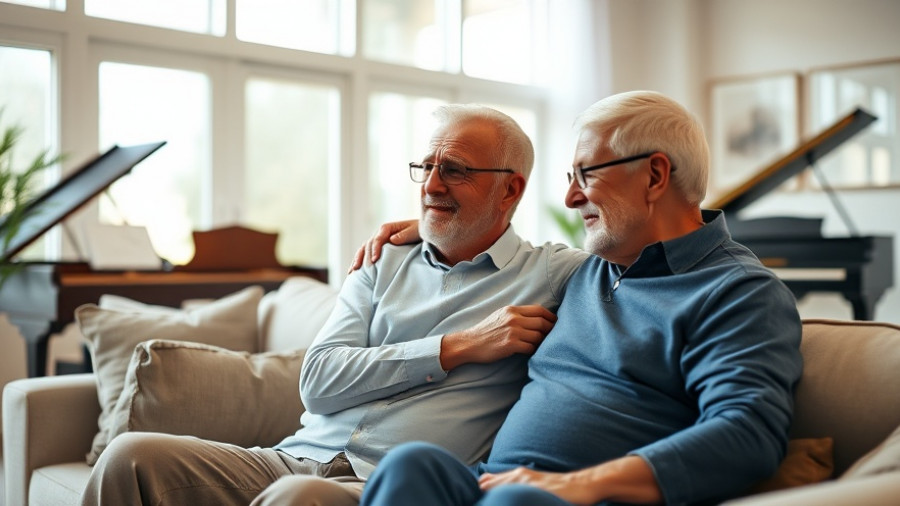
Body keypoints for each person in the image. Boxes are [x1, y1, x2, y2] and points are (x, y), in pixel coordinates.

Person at [80, 104, 590, 506]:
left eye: (455, 171)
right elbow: (317, 382)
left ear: (510, 189)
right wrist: (456, 347)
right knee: (130, 456)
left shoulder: (551, 274)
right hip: (293, 455)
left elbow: (647, 260)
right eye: (427, 167)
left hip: (388, 484)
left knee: (299, 499)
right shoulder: (381, 261)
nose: (432, 186)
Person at [358, 91, 803, 506]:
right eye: (571, 177)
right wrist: (438, 224)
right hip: (495, 483)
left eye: (586, 174)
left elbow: (748, 435)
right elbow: (509, 252)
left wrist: (573, 485)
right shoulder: (589, 270)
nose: (571, 198)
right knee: (410, 463)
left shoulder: (738, 292)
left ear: (655, 175)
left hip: (583, 497)